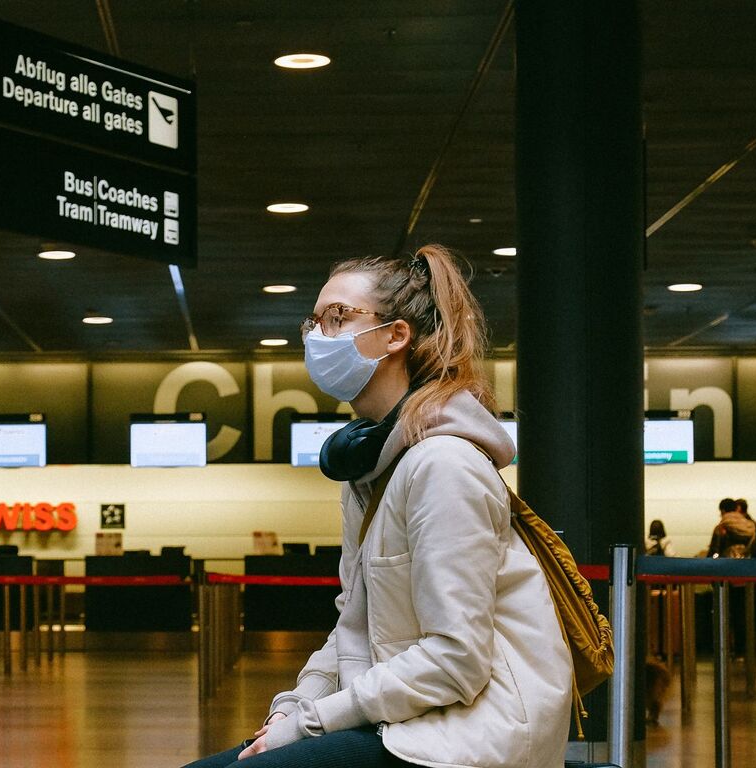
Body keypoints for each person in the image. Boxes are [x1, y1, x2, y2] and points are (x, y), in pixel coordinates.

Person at [185, 245, 572, 768]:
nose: (319, 336)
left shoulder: (443, 465)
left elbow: (457, 660)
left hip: (471, 735)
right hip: (406, 718)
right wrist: (294, 708)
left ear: (395, 335)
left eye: (339, 318)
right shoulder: (371, 471)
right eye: (315, 321)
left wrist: (313, 723)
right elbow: (353, 625)